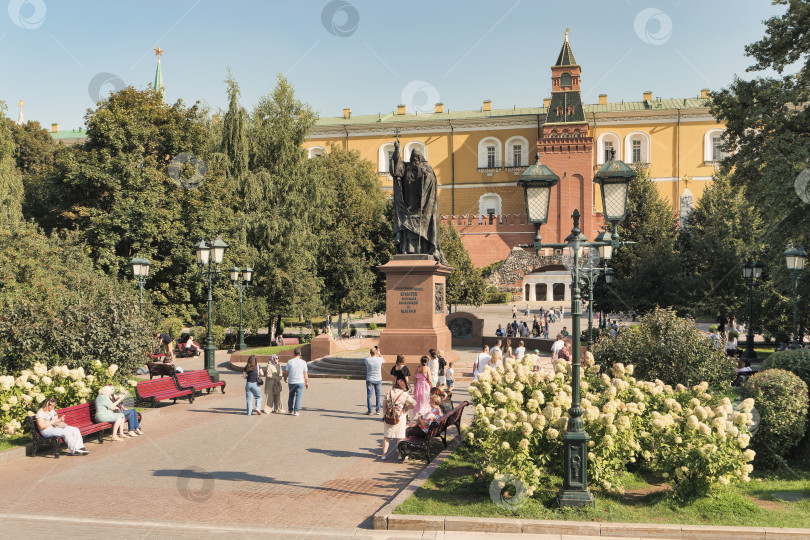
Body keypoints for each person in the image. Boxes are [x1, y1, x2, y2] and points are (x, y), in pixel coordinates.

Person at [381, 379, 415, 460]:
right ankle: (399, 455)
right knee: (400, 437)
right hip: (400, 416)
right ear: (403, 386)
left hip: (389, 417)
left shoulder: (389, 392)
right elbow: (414, 403)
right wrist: (406, 408)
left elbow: (384, 403)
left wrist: (385, 413)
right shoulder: (404, 394)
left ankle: (384, 455)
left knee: (386, 437)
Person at [284, 348, 309, 416]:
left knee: (291, 396)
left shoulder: (290, 362)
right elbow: (305, 374)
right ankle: (296, 411)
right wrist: (307, 382)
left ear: (293, 353)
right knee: (298, 397)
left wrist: (285, 377)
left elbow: (286, 372)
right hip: (300, 381)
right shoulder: (303, 362)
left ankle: (290, 410)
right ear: (300, 354)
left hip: (291, 381)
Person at [365, 347, 384, 415]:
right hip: (378, 379)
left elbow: (367, 357)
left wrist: (371, 354)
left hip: (369, 379)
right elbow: (383, 360)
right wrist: (379, 353)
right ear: (376, 352)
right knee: (378, 395)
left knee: (369, 395)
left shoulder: (367, 360)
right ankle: (378, 410)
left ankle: (370, 410)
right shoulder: (379, 359)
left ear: (370, 352)